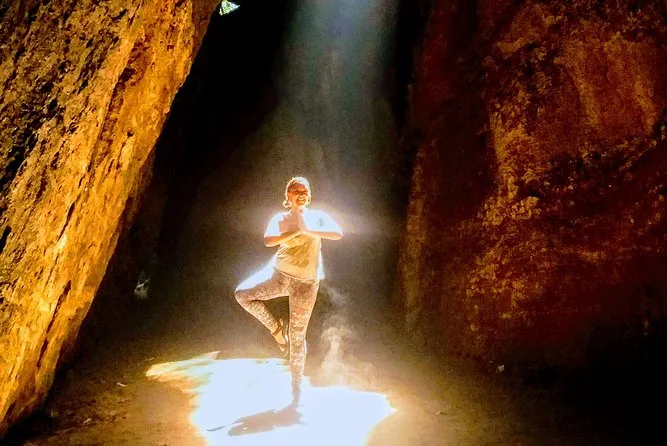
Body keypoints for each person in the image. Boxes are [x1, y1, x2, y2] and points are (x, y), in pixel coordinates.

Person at [235, 176, 343, 407]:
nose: (301, 193)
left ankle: (296, 390)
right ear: (288, 196)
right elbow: (269, 240)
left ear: (309, 195)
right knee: (242, 294)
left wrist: (309, 228)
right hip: (279, 276)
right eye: (296, 190)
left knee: (297, 337)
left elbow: (338, 233)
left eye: (304, 190)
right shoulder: (280, 218)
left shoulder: (318, 217)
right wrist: (296, 231)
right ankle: (276, 328)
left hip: (306, 283)